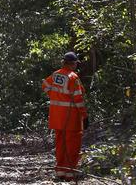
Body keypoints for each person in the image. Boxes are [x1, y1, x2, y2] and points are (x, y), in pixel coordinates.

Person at [42, 51, 88, 182]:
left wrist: (53, 95)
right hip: (71, 118)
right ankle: (70, 174)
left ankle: (60, 172)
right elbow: (78, 99)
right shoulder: (73, 77)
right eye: (75, 64)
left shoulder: (56, 74)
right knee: (72, 145)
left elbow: (44, 85)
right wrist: (84, 115)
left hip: (57, 118)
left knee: (61, 145)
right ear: (73, 64)